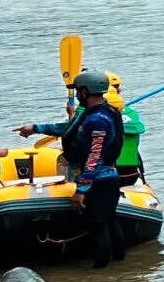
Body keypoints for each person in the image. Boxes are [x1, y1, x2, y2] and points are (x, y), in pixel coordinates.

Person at [19, 69, 125, 267]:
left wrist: (82, 190)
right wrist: (35, 128)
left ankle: (100, 273)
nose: (76, 95)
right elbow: (66, 129)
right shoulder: (92, 114)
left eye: (78, 91)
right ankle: (119, 267)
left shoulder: (98, 120)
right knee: (109, 221)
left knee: (99, 225)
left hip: (99, 180)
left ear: (85, 92)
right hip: (104, 178)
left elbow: (95, 156)